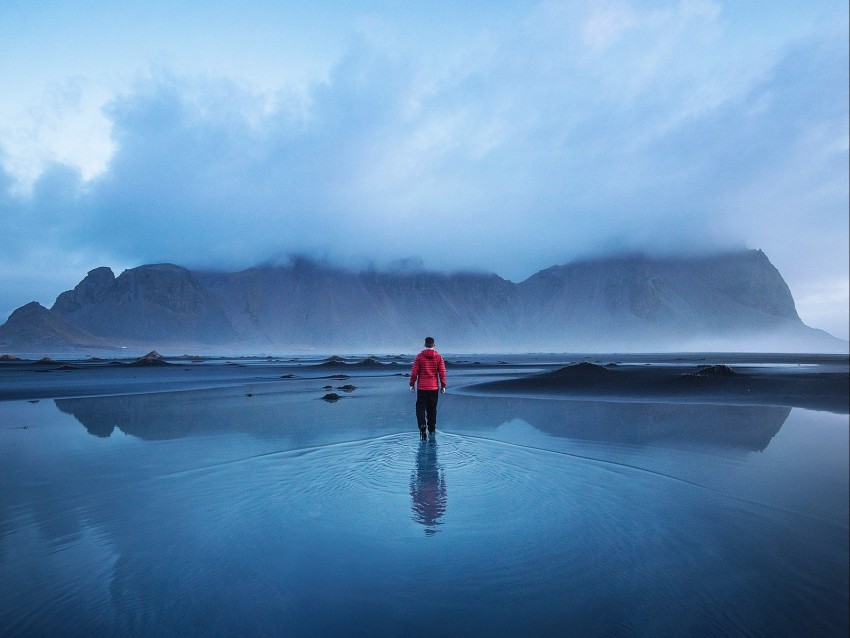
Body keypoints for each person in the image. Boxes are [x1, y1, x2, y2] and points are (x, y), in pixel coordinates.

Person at [409, 337, 447, 439]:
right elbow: (442, 372)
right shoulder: (438, 357)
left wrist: (411, 384)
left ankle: (422, 425)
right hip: (433, 388)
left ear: (425, 345)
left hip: (422, 388)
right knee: (432, 409)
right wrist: (443, 385)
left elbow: (414, 373)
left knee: (420, 408)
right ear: (434, 345)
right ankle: (432, 430)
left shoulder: (419, 357)